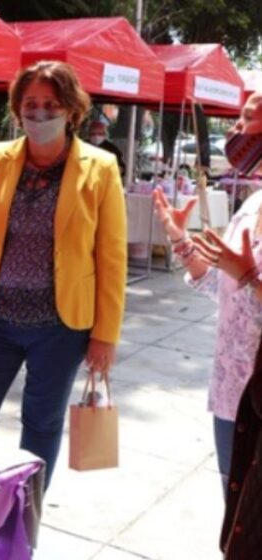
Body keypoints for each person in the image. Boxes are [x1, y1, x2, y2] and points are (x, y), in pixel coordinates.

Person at [0, 61, 127, 486]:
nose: (40, 113)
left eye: (51, 103)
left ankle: (25, 524)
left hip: (61, 328)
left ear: (71, 109)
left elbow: (112, 257)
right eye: (31, 104)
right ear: (17, 109)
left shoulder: (100, 168)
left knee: (41, 426)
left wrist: (106, 334)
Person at [155, 93, 262, 506]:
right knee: (236, 520)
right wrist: (180, 240)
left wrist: (250, 275)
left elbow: (244, 278)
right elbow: (222, 288)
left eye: (248, 118)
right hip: (231, 392)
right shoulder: (252, 204)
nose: (235, 128)